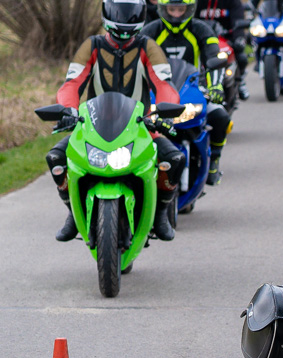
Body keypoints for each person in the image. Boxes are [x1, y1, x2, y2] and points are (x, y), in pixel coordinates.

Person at [47, 0, 184, 243]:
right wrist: (68, 109)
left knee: (173, 159)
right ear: (107, 11)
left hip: (140, 125)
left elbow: (164, 83)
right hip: (92, 125)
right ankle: (72, 213)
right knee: (56, 158)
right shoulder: (91, 45)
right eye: (120, 10)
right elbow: (72, 83)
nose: (125, 17)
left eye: (131, 11)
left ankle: (161, 214)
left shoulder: (148, 47)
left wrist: (164, 111)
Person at [143, 0, 233, 186]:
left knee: (220, 116)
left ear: (190, 9)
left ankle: (214, 160)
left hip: (193, 90)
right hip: (156, 93)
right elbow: (136, 62)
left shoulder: (202, 29)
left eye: (181, 9)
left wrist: (215, 86)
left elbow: (213, 58)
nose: (176, 14)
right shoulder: (150, 31)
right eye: (172, 9)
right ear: (163, 8)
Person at [196, 0, 251, 99]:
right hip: (202, 40)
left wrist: (239, 38)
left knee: (241, 57)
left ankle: (240, 80)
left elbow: (238, 21)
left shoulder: (233, 2)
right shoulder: (198, 2)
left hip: (226, 38)